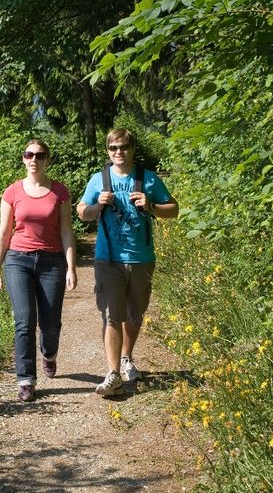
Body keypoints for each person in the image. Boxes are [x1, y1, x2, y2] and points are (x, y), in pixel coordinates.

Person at [76, 128, 178, 397]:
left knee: (135, 314)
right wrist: (97, 206)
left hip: (142, 258)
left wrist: (151, 205)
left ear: (132, 149)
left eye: (123, 147)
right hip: (108, 259)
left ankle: (126, 357)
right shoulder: (98, 179)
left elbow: (174, 210)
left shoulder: (149, 179)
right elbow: (82, 213)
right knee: (111, 315)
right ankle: (113, 374)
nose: (118, 152)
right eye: (113, 148)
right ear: (107, 151)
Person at [0, 139, 77, 402]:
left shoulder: (60, 192)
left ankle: (49, 353)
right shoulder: (12, 192)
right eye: (29, 154)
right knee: (24, 321)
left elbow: (66, 230)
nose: (34, 159)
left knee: (50, 323)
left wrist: (71, 267)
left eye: (40, 155)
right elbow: (4, 232)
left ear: (47, 160)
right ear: (23, 159)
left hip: (52, 262)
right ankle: (26, 380)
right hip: (18, 260)